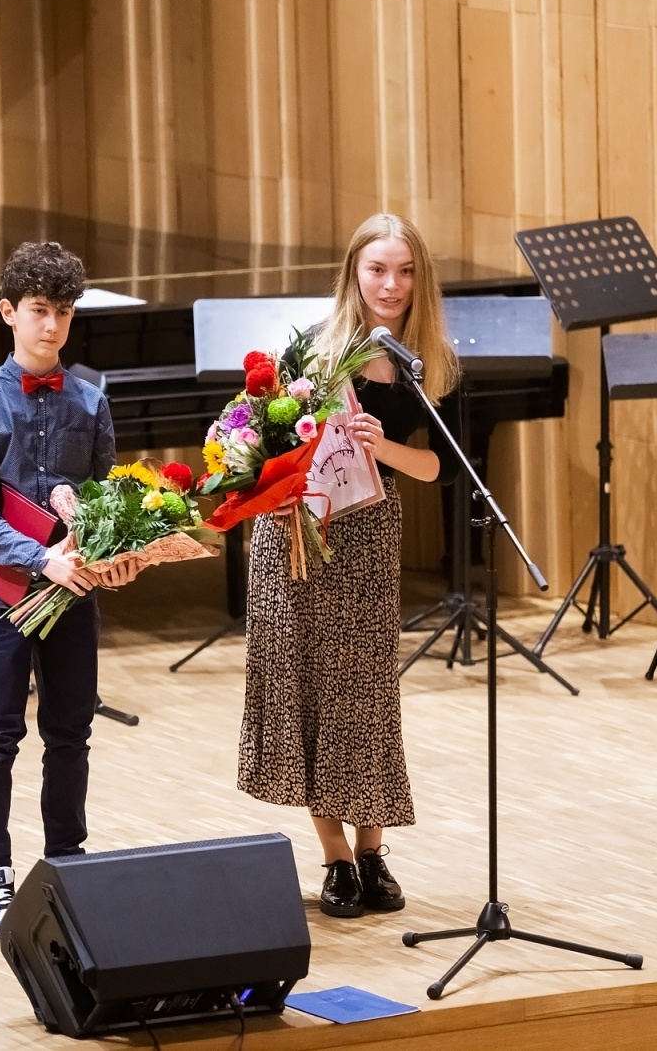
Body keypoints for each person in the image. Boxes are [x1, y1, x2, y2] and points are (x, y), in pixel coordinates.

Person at [237, 213, 461, 917]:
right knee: (310, 688)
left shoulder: (431, 364)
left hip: (369, 536)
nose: (391, 285)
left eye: (405, 271)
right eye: (378, 270)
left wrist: (381, 446)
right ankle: (335, 856)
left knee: (364, 695)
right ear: (354, 274)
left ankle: (372, 851)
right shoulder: (312, 351)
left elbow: (441, 469)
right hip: (301, 531)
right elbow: (263, 443)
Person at [0, 240, 143, 936]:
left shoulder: (91, 403)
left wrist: (116, 554)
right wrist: (41, 559)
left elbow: (106, 503)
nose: (51, 325)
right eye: (38, 310)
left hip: (72, 599)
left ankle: (68, 862)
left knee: (70, 733)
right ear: (9, 312)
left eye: (63, 312)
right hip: (2, 598)